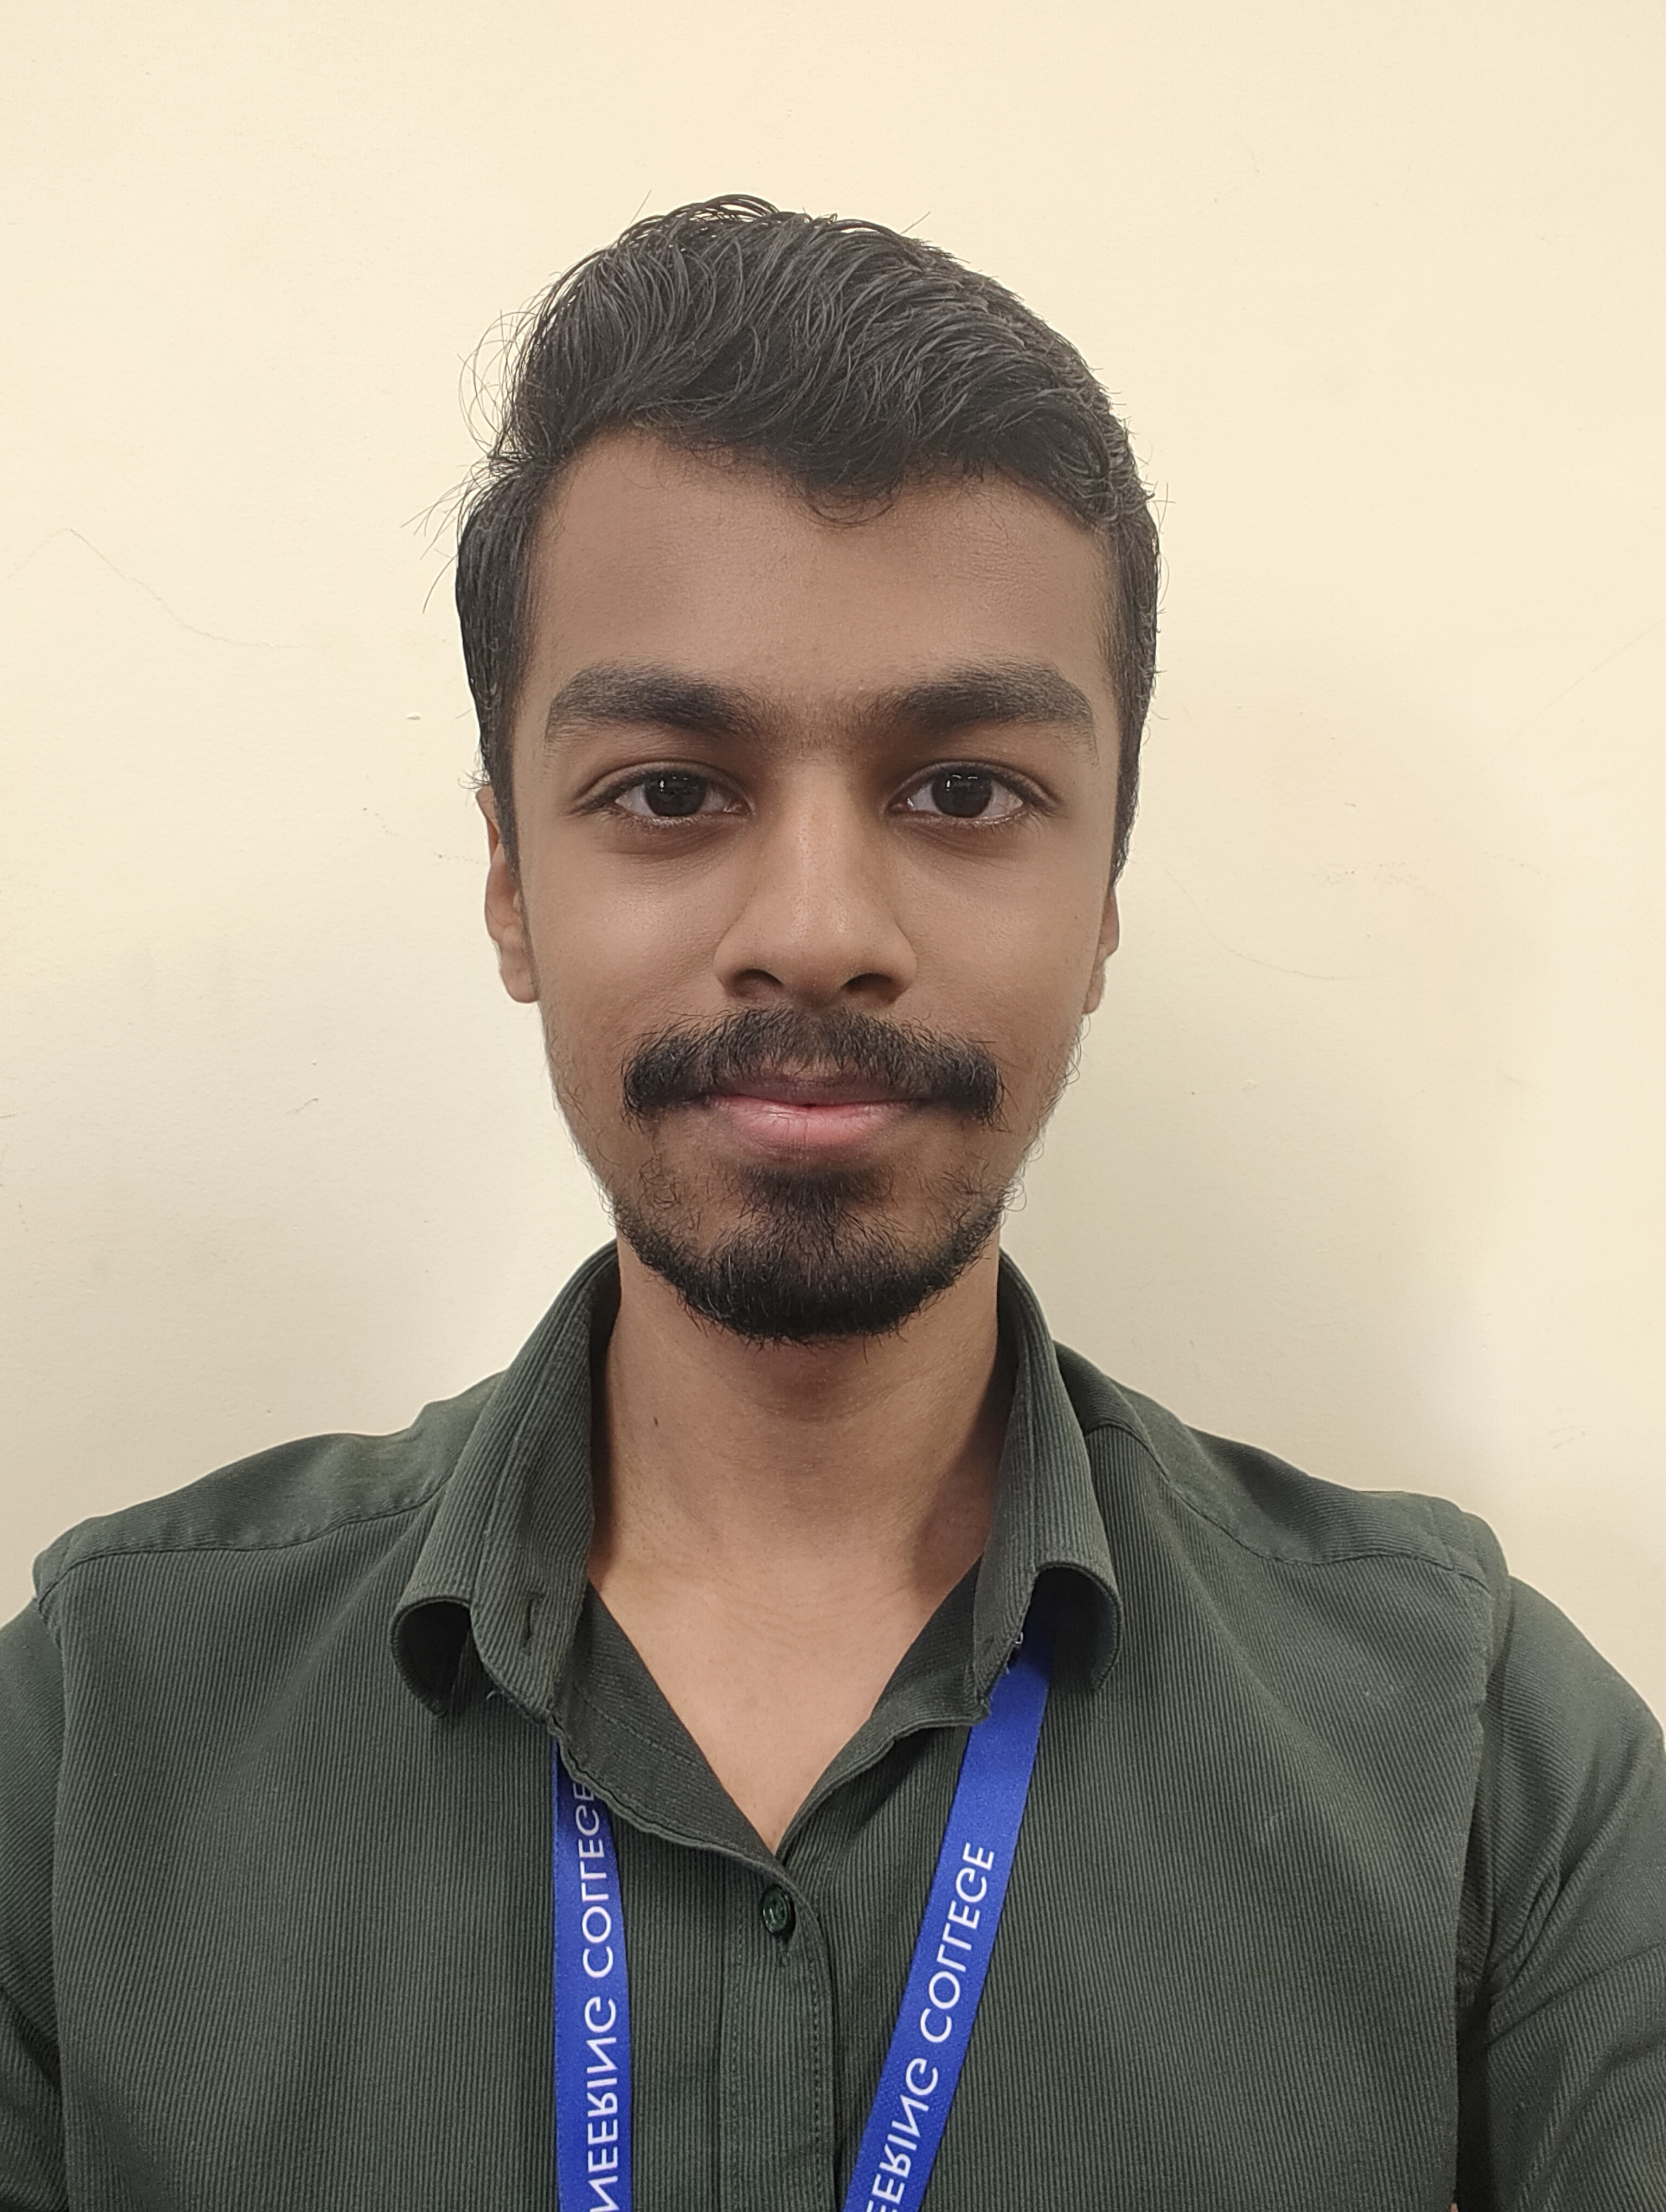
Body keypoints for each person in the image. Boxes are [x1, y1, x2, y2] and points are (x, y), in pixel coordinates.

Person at [1, 195, 1661, 2212]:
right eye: (670, 790)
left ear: (1106, 898)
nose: (814, 929)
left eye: (962, 791)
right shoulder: (96, 1734)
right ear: (512, 885)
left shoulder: (1480, 1754)